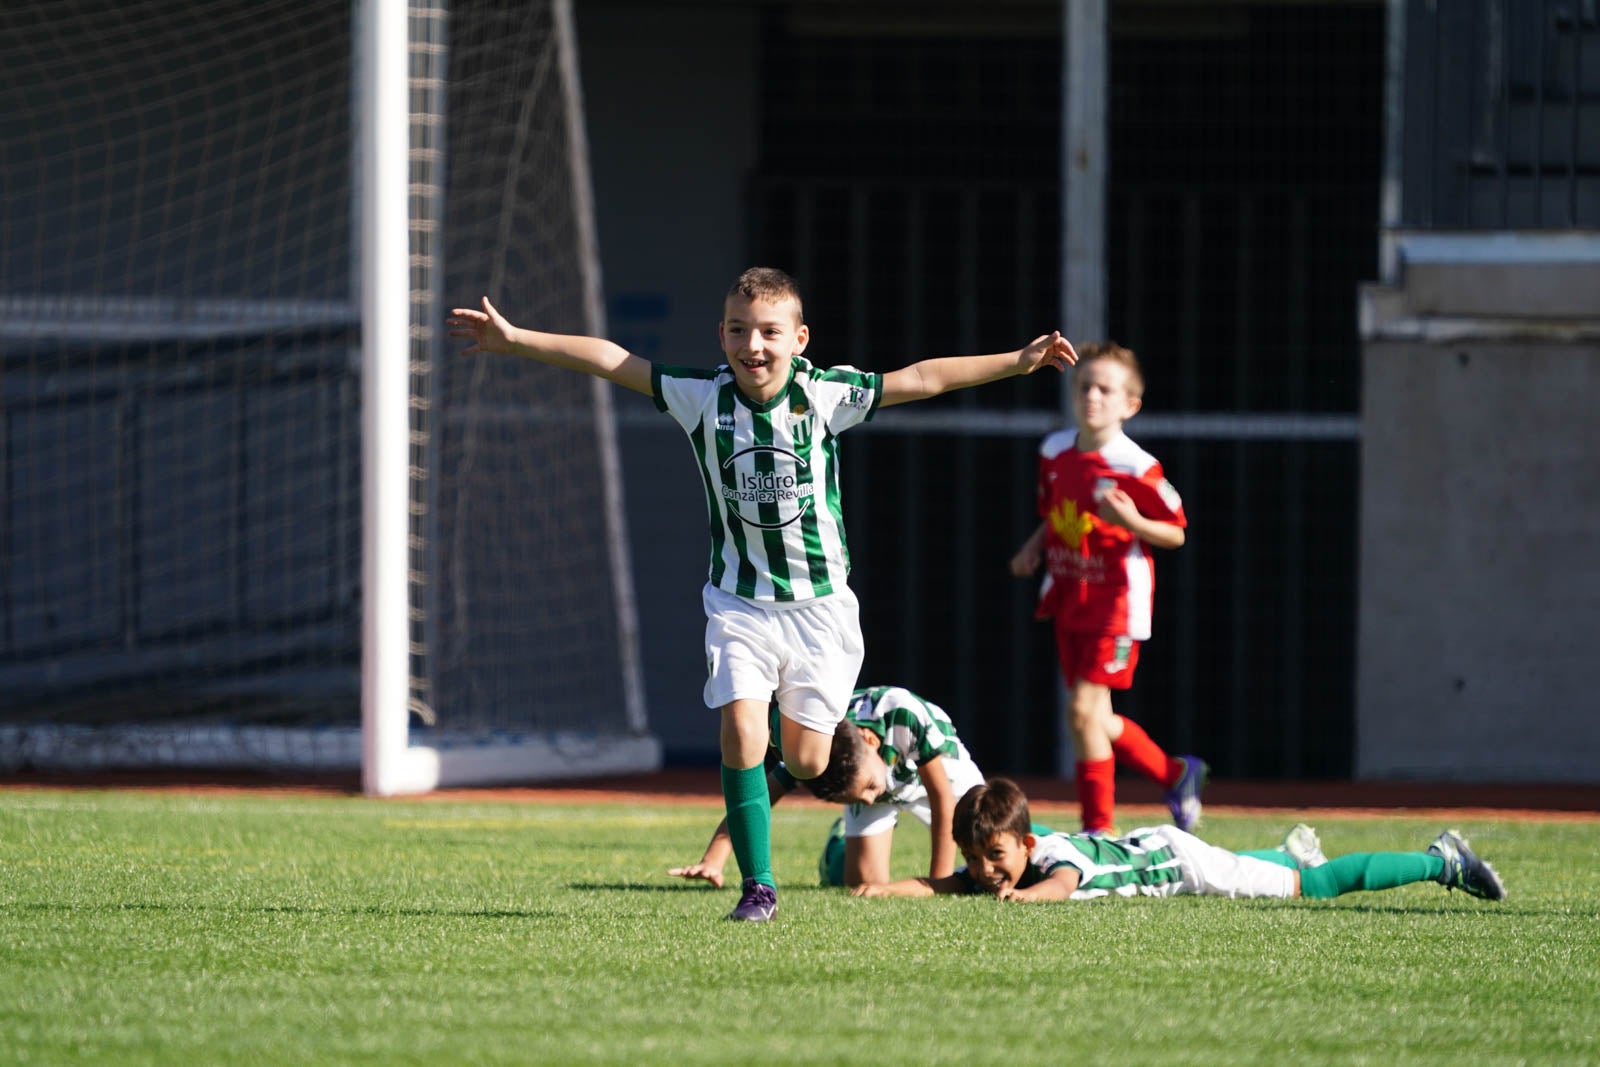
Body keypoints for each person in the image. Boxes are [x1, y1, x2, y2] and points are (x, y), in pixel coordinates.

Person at [450, 269, 1075, 921]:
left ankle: (821, 789)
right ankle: (760, 886)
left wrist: (1018, 361)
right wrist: (519, 339)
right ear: (721, 335)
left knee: (807, 760)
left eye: (771, 331)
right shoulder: (702, 397)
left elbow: (921, 377)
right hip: (738, 604)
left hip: (819, 612)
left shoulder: (825, 394)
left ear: (799, 339)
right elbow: (613, 359)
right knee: (741, 728)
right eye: (741, 330)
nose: (755, 344)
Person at [1008, 340, 1203, 836]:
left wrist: (1132, 519)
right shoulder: (1053, 451)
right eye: (1084, 386)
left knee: (1081, 711)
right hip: (1070, 593)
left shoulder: (1138, 467)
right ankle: (1175, 774)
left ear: (1130, 405)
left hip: (1117, 601)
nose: (1092, 397)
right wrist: (1035, 547)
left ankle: (1098, 831)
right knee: (1093, 717)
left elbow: (1176, 533)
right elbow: (1055, 515)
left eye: (1106, 389)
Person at [850, 778, 1508, 904]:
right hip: (1152, 845)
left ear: (1024, 843)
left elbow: (1063, 883)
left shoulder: (1050, 860)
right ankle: (1285, 854)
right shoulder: (1002, 860)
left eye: (994, 855)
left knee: (1320, 886)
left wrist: (1029, 900)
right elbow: (942, 884)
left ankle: (1440, 859)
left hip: (1176, 861)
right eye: (977, 856)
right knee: (1278, 871)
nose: (984, 869)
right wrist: (884, 887)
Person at [669, 684, 1017, 889]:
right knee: (863, 884)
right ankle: (837, 850)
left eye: (866, 788)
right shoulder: (816, 753)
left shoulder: (900, 714)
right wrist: (714, 857)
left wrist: (938, 884)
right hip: (882, 772)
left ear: (868, 738)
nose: (870, 797)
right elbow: (759, 795)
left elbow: (943, 801)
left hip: (940, 772)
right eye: (857, 798)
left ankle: (1041, 842)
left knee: (988, 828)